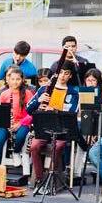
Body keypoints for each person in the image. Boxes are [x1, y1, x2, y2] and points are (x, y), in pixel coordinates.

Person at [26, 60, 80, 190]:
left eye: (66, 73)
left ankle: (52, 179)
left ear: (70, 76)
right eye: (60, 72)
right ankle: (39, 179)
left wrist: (54, 110)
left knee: (58, 146)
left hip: (62, 131)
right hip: (44, 128)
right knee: (34, 146)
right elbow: (29, 108)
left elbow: (71, 113)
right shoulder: (44, 89)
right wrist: (39, 101)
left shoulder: (73, 93)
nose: (62, 76)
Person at [0, 66, 35, 165]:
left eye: (18, 79)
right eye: (12, 79)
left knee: (21, 135)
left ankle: (16, 152)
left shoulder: (28, 93)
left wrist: (19, 123)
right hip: (6, 123)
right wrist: (7, 124)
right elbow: (0, 113)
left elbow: (31, 114)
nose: (15, 82)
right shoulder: (4, 94)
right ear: (8, 80)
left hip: (23, 123)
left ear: (22, 80)